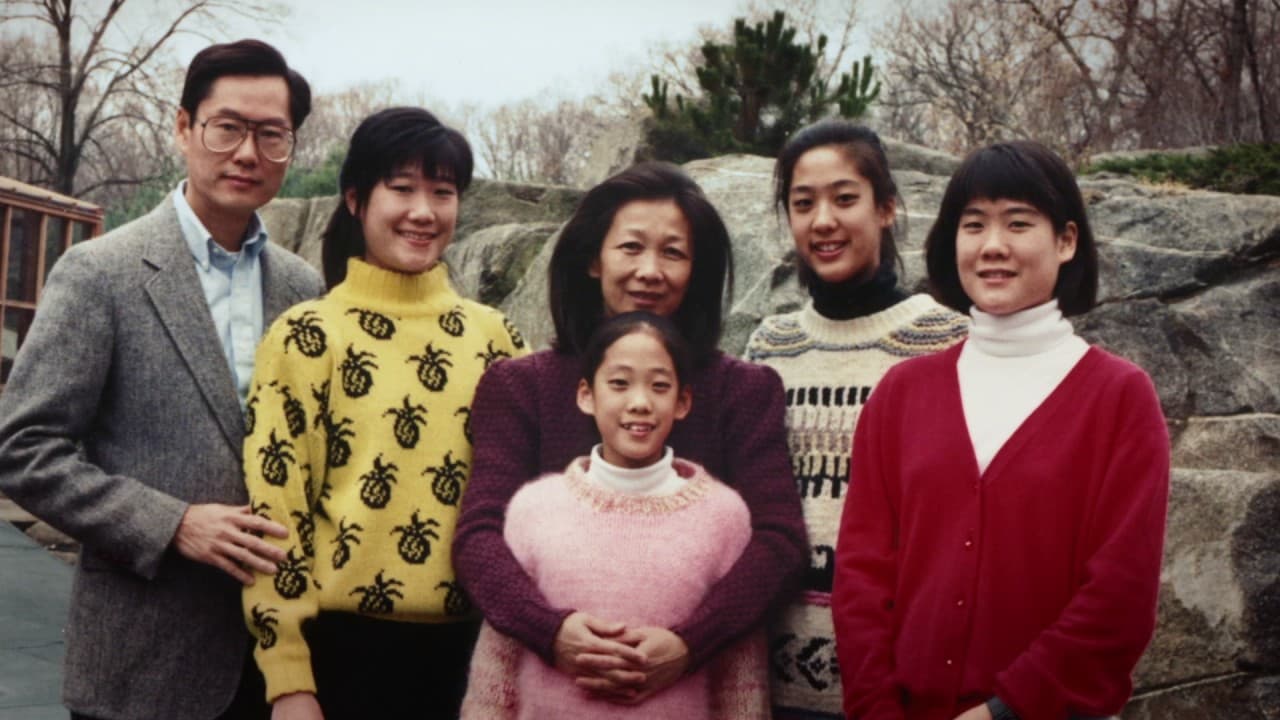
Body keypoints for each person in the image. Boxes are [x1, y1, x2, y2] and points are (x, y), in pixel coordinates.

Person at [0, 39, 321, 720]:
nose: (247, 153)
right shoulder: (100, 274)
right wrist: (171, 524)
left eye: (272, 135)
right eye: (227, 127)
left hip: (274, 665)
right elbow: (23, 447)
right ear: (183, 128)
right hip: (141, 664)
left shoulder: (301, 287)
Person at [832, 140, 1169, 720]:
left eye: (1018, 223)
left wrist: (1002, 712)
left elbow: (1120, 598)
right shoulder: (901, 395)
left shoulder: (1119, 398)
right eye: (973, 225)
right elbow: (861, 576)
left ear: (1066, 241)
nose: (992, 247)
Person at [454, 162, 807, 702]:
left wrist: (690, 643)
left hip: (693, 691)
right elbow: (479, 536)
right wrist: (552, 632)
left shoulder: (743, 391)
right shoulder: (520, 387)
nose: (650, 270)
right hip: (548, 693)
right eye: (631, 248)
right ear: (593, 259)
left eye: (673, 252)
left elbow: (779, 543)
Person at [240, 106, 526, 720]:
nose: (423, 211)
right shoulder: (306, 336)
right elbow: (274, 514)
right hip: (340, 656)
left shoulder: (497, 339)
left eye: (442, 192)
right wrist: (289, 681)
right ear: (355, 199)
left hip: (477, 659)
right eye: (401, 188)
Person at [744, 120, 968, 718]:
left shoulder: (946, 340)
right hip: (769, 682)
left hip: (901, 684)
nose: (823, 221)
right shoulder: (770, 346)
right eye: (803, 203)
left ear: (886, 206)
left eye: (845, 198)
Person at [462, 311, 769, 719]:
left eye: (659, 386)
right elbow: (497, 666)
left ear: (682, 402)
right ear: (586, 395)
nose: (639, 403)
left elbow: (740, 675)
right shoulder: (533, 509)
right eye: (619, 383)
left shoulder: (725, 517)